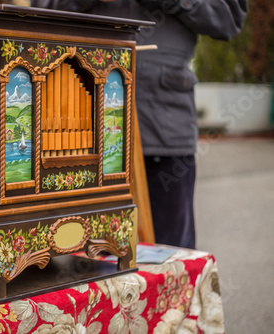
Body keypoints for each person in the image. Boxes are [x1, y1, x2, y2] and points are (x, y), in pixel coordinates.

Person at [31, 0, 247, 248]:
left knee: (170, 259)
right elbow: (40, 10)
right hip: (80, 129)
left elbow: (229, 19)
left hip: (165, 129)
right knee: (85, 260)